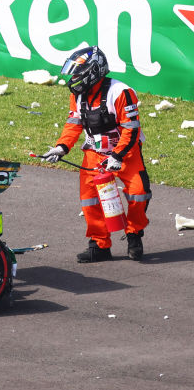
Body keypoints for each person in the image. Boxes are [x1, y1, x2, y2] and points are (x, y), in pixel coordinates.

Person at [41, 46, 151, 263]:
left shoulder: (121, 93)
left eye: (77, 73)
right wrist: (62, 147)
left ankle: (134, 234)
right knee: (90, 199)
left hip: (125, 153)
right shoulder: (78, 95)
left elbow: (131, 129)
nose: (72, 78)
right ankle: (99, 245)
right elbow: (74, 123)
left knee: (139, 192)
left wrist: (117, 156)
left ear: (93, 71)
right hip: (94, 152)